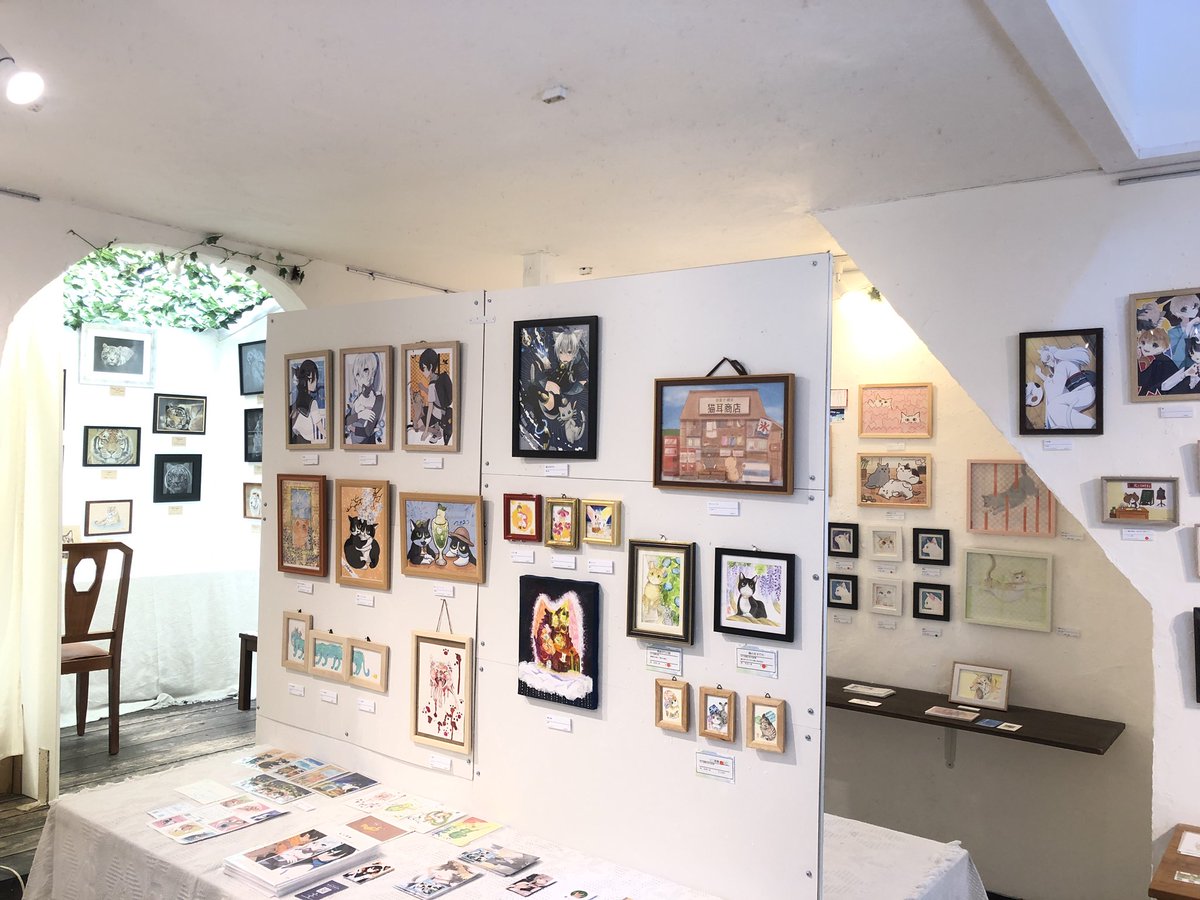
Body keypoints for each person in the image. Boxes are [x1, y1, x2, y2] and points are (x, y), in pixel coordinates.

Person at [418, 347, 453, 445]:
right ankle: (437, 427)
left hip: (437, 414)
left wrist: (425, 431)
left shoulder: (432, 385)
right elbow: (435, 396)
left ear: (430, 366)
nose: (422, 372)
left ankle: (437, 433)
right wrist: (423, 388)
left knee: (418, 425)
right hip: (443, 411)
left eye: (424, 368)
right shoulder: (438, 378)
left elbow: (430, 407)